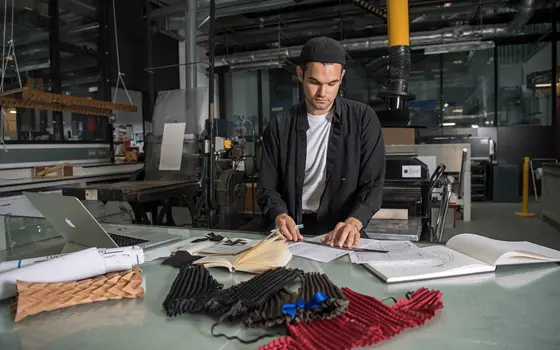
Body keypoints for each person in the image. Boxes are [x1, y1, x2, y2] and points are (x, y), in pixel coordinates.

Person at [256, 36, 385, 248]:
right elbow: (267, 188)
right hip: (292, 231)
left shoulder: (363, 119)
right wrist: (279, 215)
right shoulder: (279, 125)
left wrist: (354, 222)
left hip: (342, 230)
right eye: (314, 82)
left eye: (332, 83)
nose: (322, 93)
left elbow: (373, 184)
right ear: (300, 74)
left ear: (341, 77)